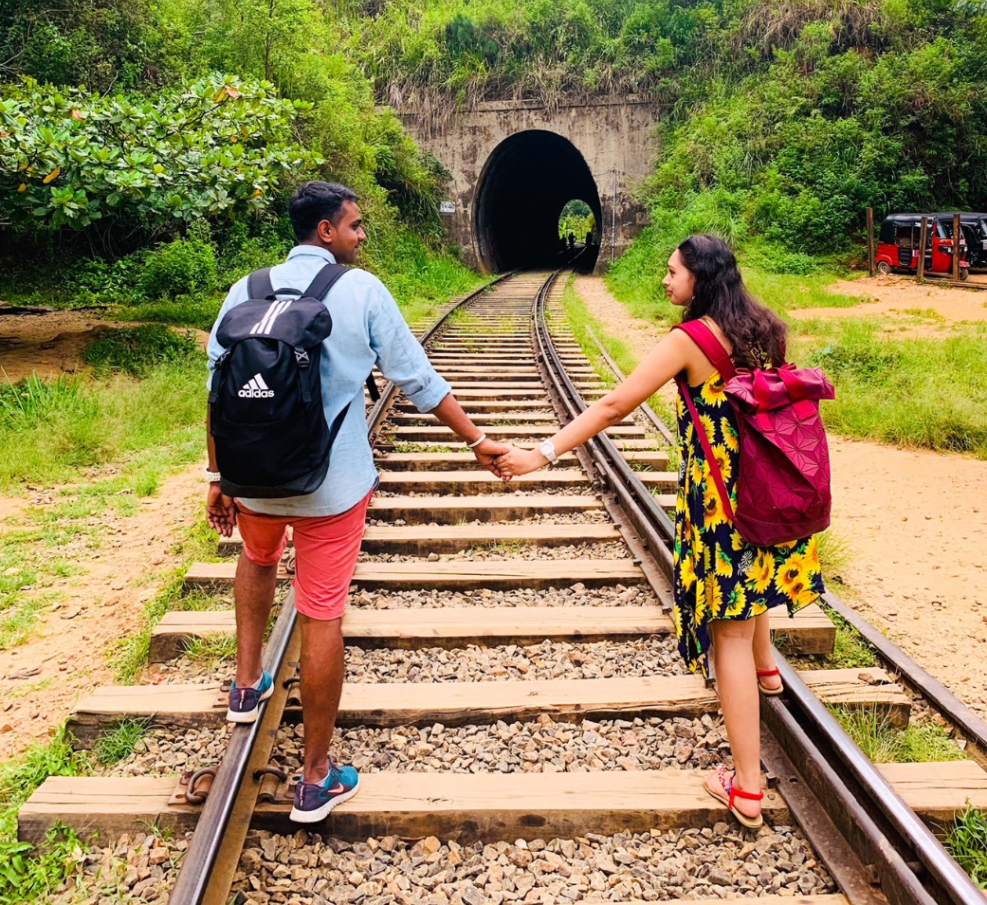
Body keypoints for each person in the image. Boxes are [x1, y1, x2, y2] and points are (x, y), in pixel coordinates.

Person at [205, 180, 509, 824]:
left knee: (258, 562)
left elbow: (216, 389)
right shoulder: (362, 291)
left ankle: (244, 684)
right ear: (325, 231)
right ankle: (316, 780)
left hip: (254, 480)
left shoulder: (244, 290)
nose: (361, 235)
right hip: (330, 488)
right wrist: (478, 440)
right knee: (320, 616)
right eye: (355, 225)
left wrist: (217, 478)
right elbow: (417, 380)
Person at [497, 234, 824, 829]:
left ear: (699, 278)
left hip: (721, 502)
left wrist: (541, 452)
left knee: (726, 628)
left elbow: (614, 405)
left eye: (672, 271)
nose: (665, 280)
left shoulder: (688, 340)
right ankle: (767, 666)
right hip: (767, 487)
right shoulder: (766, 327)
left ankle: (747, 786)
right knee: (755, 583)